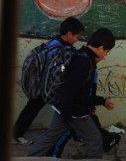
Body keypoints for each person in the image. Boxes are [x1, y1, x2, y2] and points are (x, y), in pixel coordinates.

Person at [28, 28, 116, 159]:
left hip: (63, 107)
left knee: (49, 138)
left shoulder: (81, 54)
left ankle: (29, 157)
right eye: (107, 52)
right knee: (95, 140)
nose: (106, 55)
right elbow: (72, 89)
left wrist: (101, 101)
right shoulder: (85, 62)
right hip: (75, 112)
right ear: (101, 48)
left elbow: (76, 89)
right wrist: (68, 112)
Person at [13, 16, 85, 144]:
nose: (77, 40)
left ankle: (16, 134)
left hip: (42, 85)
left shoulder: (54, 43)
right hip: (47, 87)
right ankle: (16, 135)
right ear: (69, 34)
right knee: (63, 108)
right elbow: (54, 70)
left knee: (32, 109)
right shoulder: (59, 48)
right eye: (77, 37)